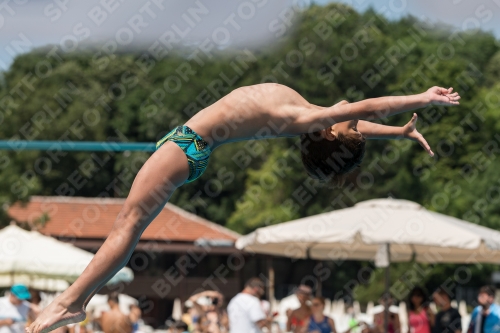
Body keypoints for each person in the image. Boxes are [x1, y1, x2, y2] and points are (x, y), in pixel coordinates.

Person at [26, 83, 461, 333]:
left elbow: (366, 107)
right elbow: (360, 120)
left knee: (127, 225)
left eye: (343, 125)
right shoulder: (313, 114)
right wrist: (399, 133)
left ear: (328, 134)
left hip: (188, 147)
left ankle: (70, 301)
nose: (347, 113)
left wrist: (421, 99)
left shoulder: (306, 119)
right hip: (186, 145)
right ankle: (72, 300)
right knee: (130, 224)